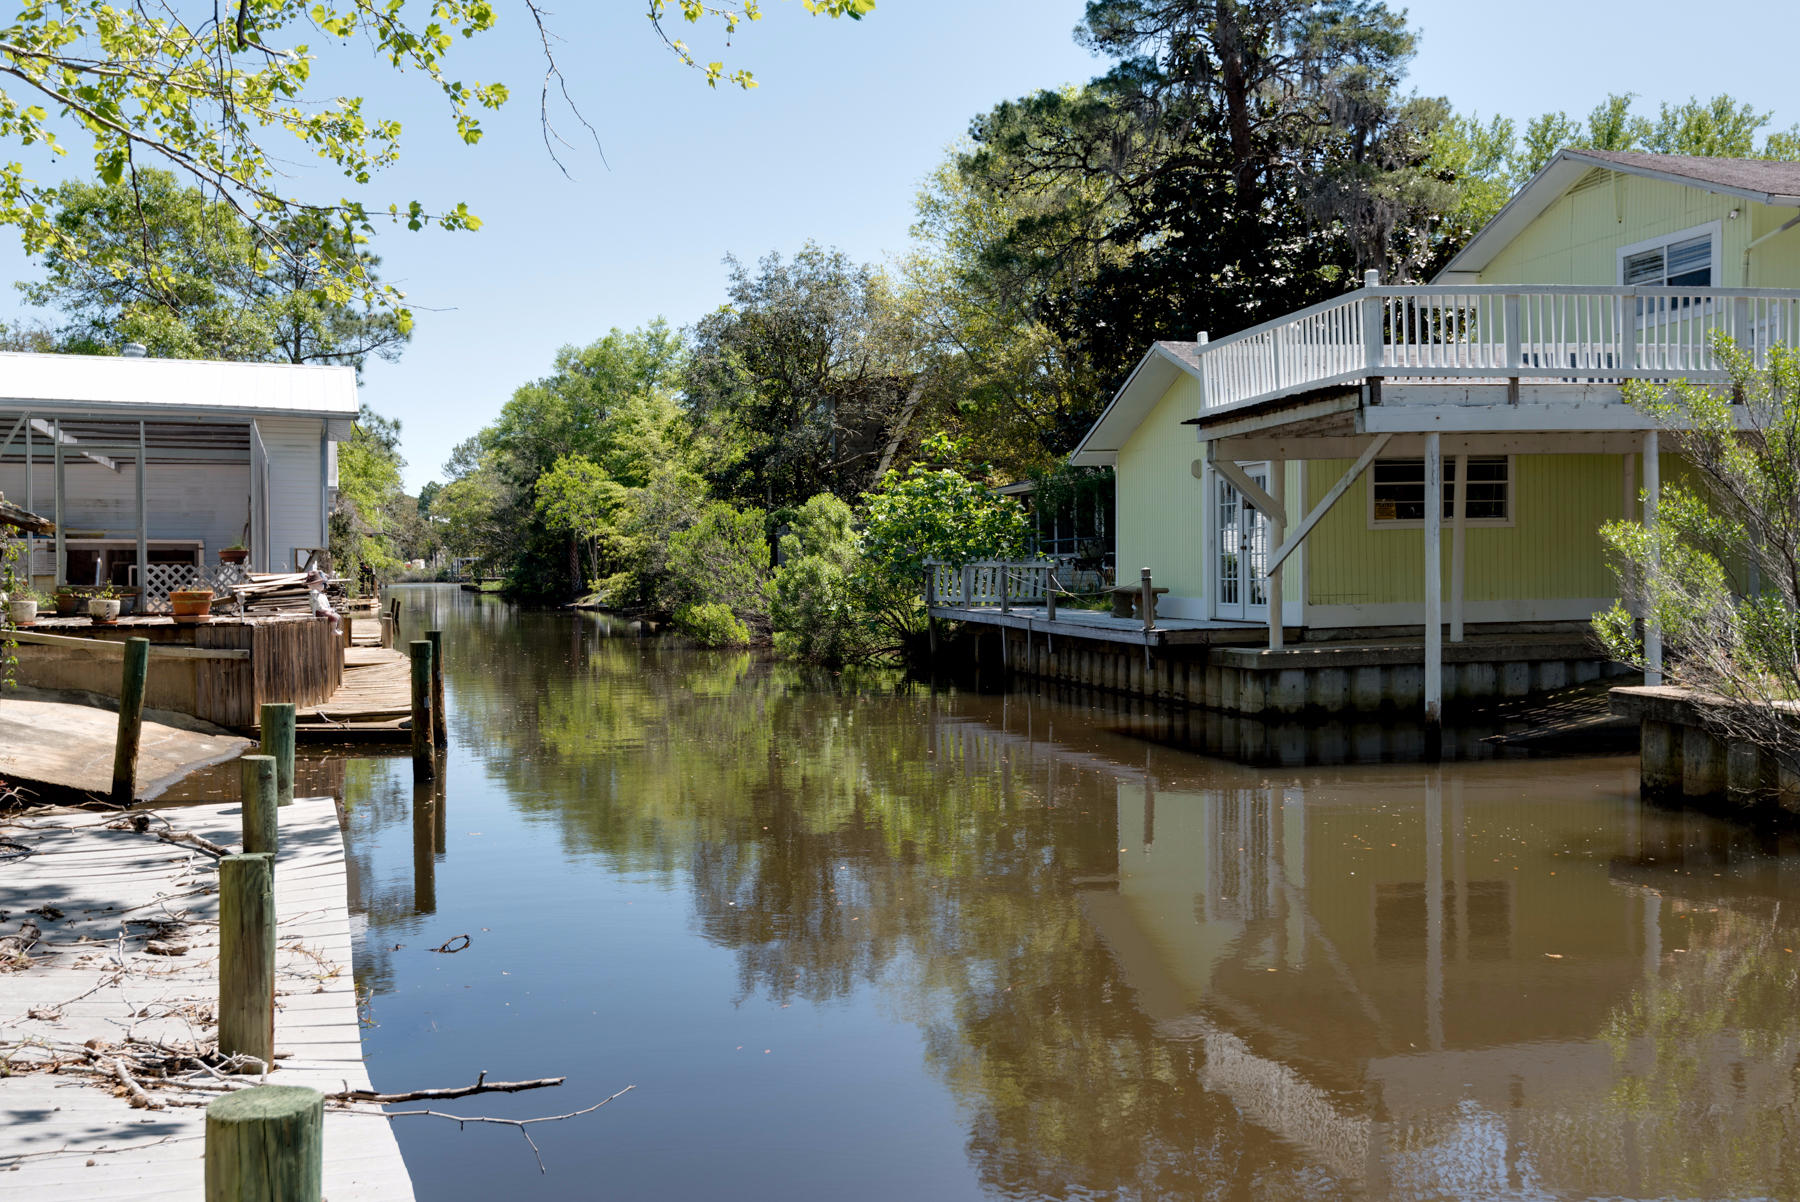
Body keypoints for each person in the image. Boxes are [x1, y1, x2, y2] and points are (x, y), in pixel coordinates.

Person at [305, 568, 341, 634]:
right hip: (319, 613)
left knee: (338, 616)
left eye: (323, 584)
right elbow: (319, 608)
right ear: (311, 585)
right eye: (320, 584)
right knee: (334, 616)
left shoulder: (322, 595)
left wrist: (330, 609)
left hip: (324, 611)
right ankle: (333, 630)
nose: (323, 585)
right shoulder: (314, 595)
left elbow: (326, 605)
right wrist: (328, 610)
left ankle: (336, 628)